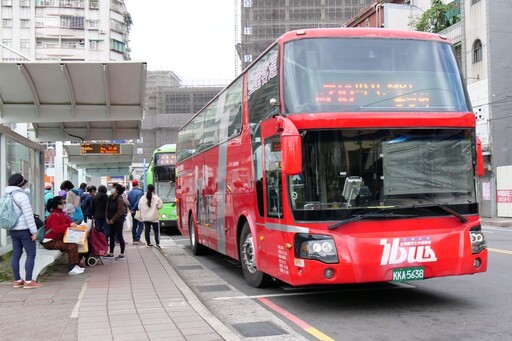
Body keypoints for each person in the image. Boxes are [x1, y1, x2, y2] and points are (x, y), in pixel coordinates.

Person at [7, 173, 42, 289]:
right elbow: (28, 216)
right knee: (31, 254)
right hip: (25, 229)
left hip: (12, 229)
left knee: (16, 254)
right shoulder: (22, 196)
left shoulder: (5, 195)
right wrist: (34, 232)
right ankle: (28, 281)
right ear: (20, 184)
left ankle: (17, 280)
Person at [42, 196, 84, 275]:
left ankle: (75, 265)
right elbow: (56, 229)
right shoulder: (55, 215)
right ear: (58, 205)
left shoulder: (60, 213)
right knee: (71, 246)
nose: (64, 204)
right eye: (62, 202)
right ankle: (72, 268)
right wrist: (69, 225)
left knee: (75, 244)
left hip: (54, 240)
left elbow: (68, 221)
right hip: (50, 242)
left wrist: (72, 224)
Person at [105, 183, 127, 260]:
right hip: (110, 220)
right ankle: (111, 252)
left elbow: (120, 211)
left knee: (119, 236)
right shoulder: (110, 197)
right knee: (111, 236)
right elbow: (107, 209)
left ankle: (122, 253)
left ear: (117, 190)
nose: (113, 189)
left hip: (118, 221)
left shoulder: (120, 199)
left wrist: (113, 219)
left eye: (114, 188)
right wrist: (107, 218)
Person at [138, 184, 163, 249]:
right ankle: (157, 243)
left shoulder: (142, 198)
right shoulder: (156, 197)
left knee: (147, 230)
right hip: (154, 217)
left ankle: (148, 243)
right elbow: (160, 206)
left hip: (145, 217)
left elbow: (139, 207)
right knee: (156, 231)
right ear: (153, 190)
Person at [127, 179, 144, 245]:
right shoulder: (140, 192)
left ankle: (134, 239)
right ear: (138, 184)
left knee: (134, 225)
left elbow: (128, 202)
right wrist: (134, 209)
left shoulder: (130, 193)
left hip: (132, 211)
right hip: (138, 211)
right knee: (141, 225)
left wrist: (131, 209)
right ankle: (137, 239)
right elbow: (138, 202)